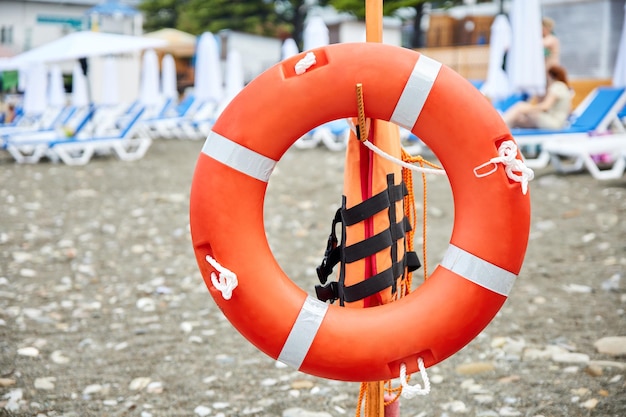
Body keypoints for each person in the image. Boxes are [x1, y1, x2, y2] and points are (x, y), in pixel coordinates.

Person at [503, 65, 572, 129]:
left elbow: (545, 106)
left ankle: (501, 125)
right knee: (518, 120)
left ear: (549, 76)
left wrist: (527, 109)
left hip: (553, 123)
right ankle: (504, 129)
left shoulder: (557, 86)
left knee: (520, 106)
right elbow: (568, 110)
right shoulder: (564, 88)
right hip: (558, 123)